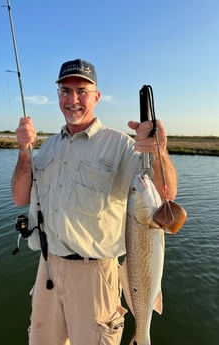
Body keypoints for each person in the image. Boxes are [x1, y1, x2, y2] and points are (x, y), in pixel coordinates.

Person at [12, 59, 177, 345]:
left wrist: (159, 151)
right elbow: (19, 197)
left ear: (97, 97)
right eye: (65, 90)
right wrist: (25, 152)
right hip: (47, 270)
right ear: (58, 95)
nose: (72, 99)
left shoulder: (121, 145)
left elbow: (165, 197)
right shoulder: (50, 146)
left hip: (96, 275)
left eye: (82, 91)